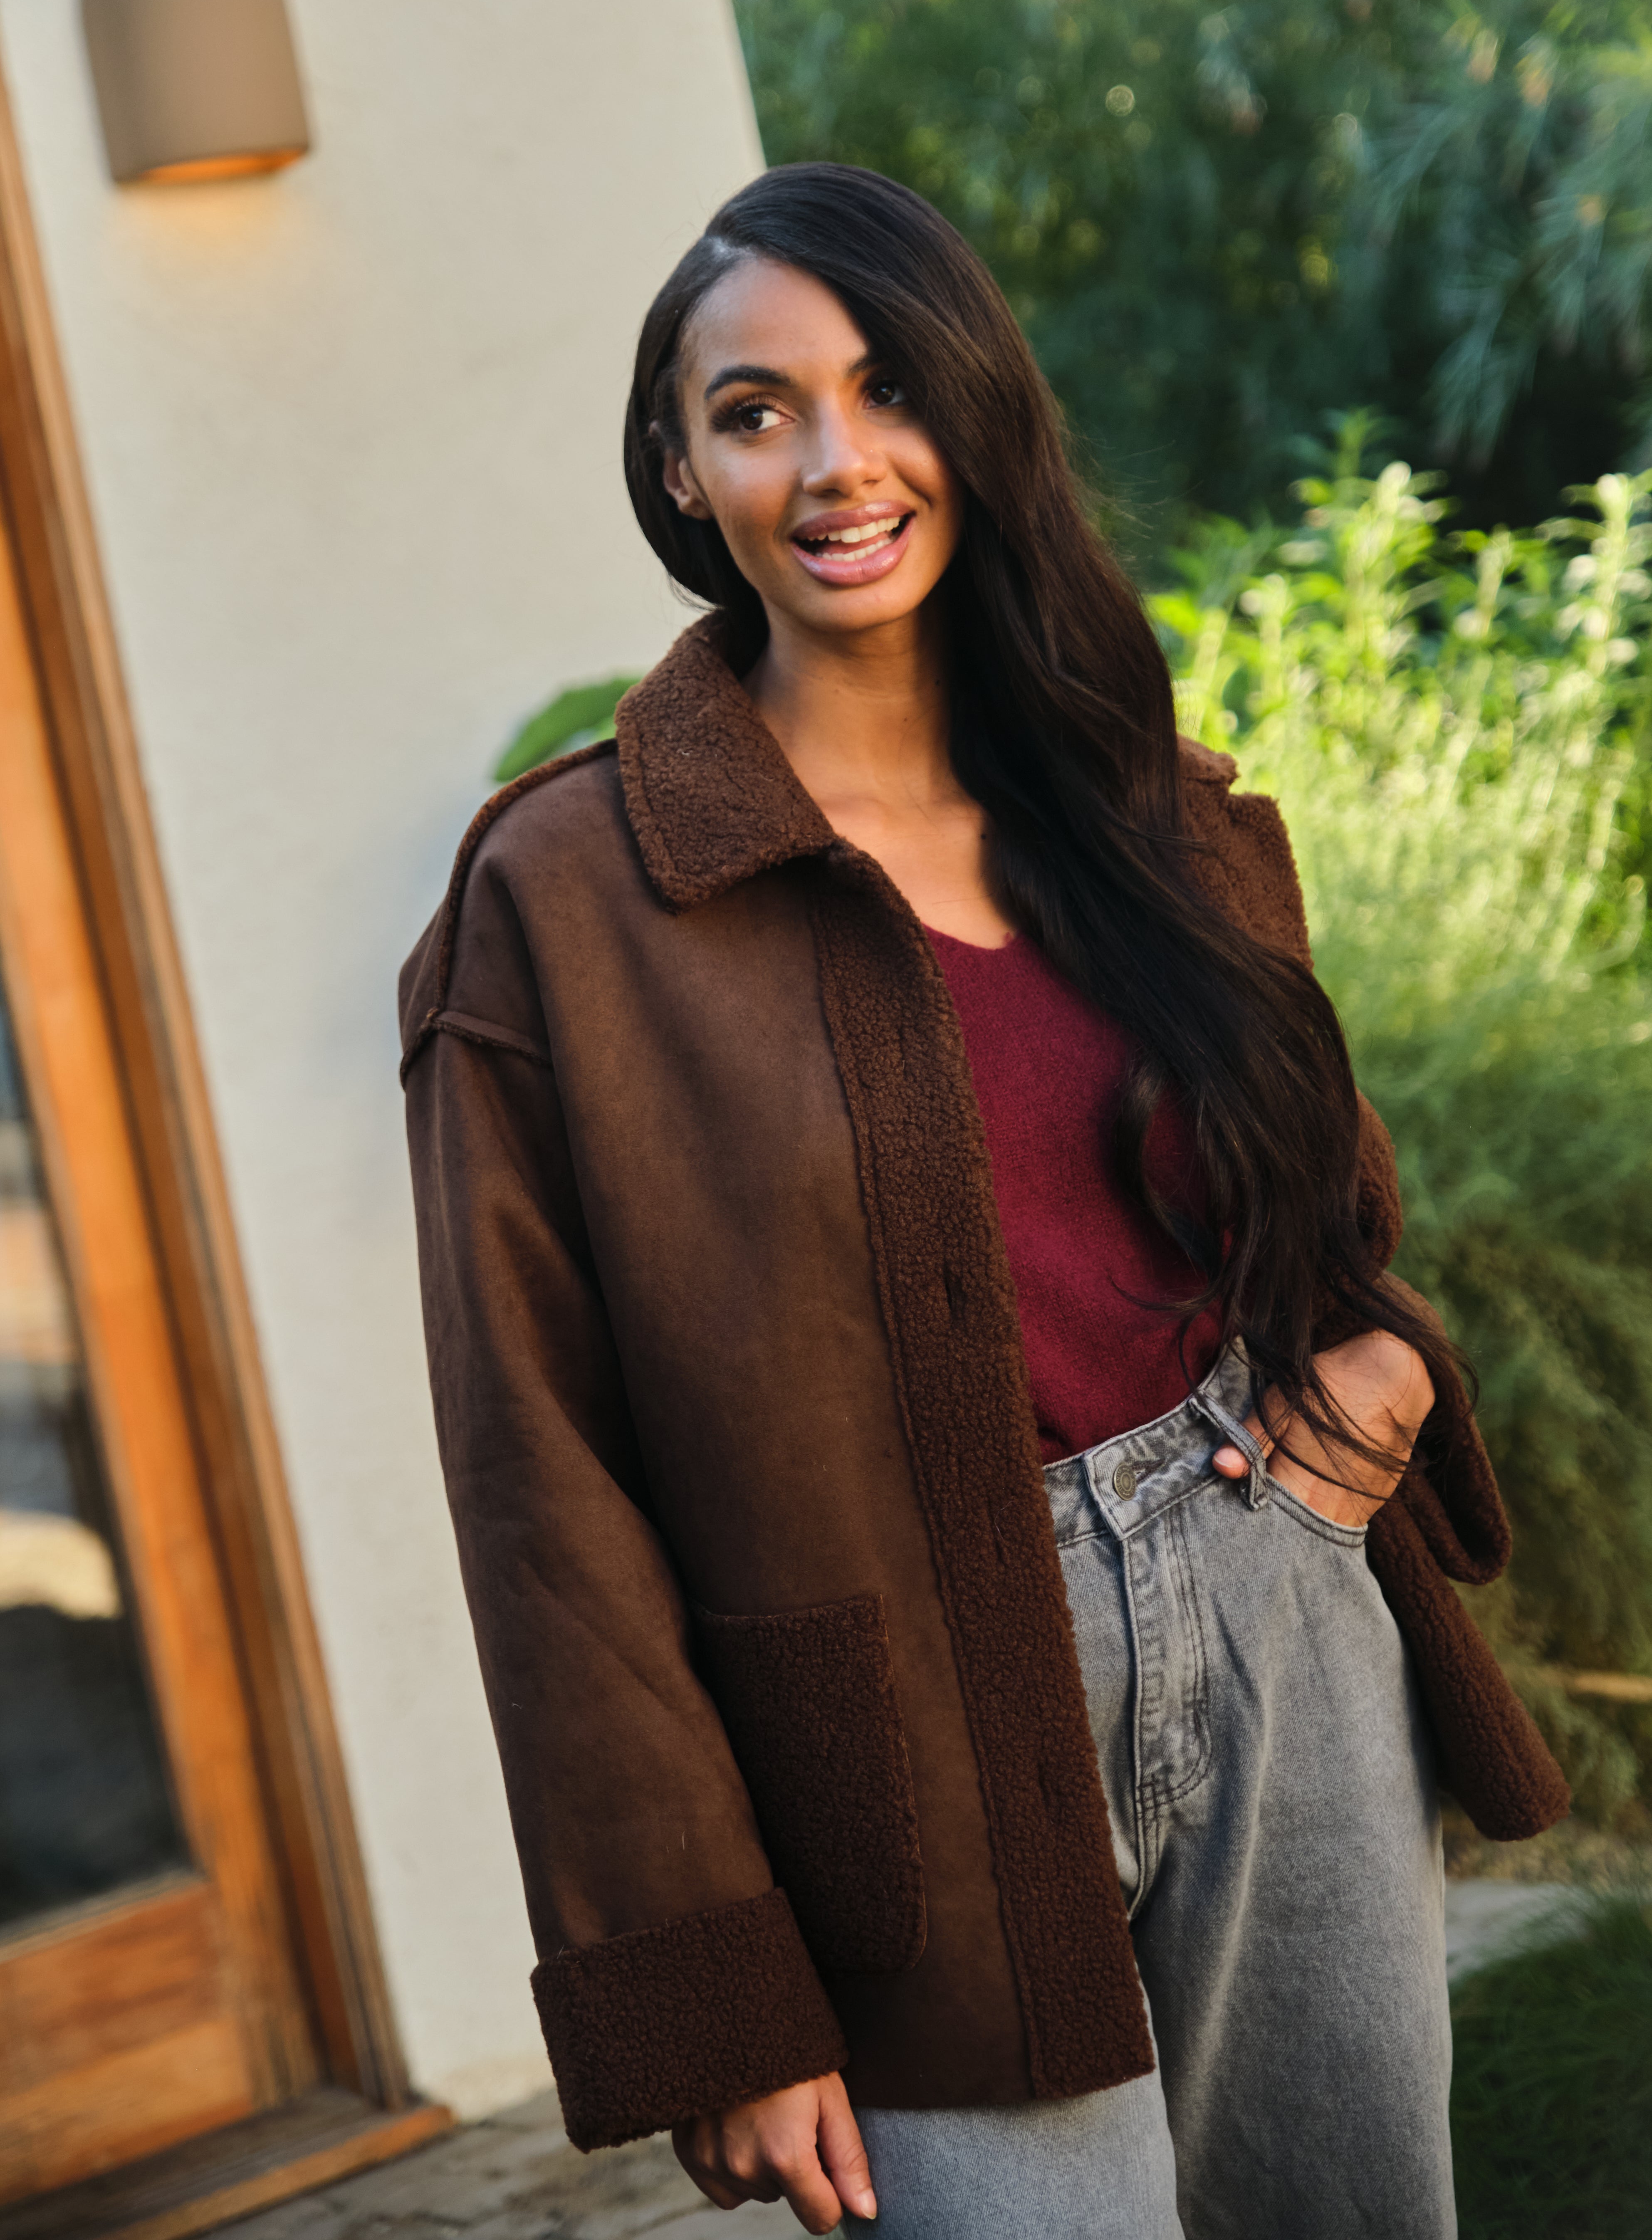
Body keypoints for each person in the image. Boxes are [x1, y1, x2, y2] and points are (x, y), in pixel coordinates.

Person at [399, 163, 1568, 2240]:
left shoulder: (1148, 808)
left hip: (1277, 1590)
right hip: (903, 1747)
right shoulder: (567, 902)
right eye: (757, 410)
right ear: (681, 466)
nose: (837, 462)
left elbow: (1317, 1207)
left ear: (975, 414)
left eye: (887, 388)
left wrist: (1378, 1361)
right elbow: (540, 1487)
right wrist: (721, 1994)